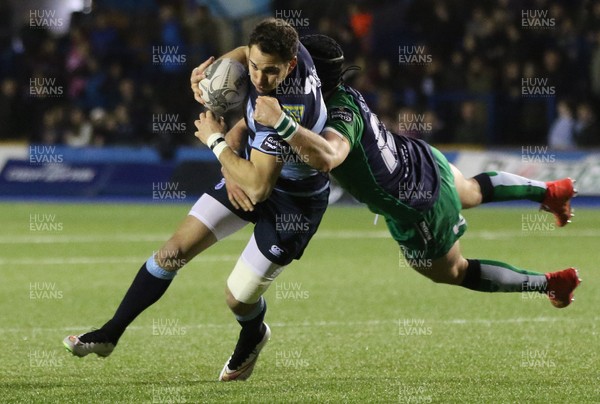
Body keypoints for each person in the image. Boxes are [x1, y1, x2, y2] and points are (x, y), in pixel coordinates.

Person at [215, 34, 581, 308]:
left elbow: (329, 154)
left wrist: (280, 123)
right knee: (470, 189)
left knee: (454, 271)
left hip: (413, 203)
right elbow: (264, 45)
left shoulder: (335, 115)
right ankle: (550, 191)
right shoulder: (333, 94)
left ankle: (550, 283)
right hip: (420, 158)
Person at [63, 18, 329, 382]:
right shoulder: (284, 51)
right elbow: (242, 56)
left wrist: (216, 141)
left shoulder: (285, 107)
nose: (258, 78)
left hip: (292, 204)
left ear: (290, 65)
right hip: (254, 171)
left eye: (270, 72)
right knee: (171, 252)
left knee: (237, 298)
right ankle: (110, 333)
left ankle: (254, 333)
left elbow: (258, 189)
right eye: (254, 66)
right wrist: (214, 76)